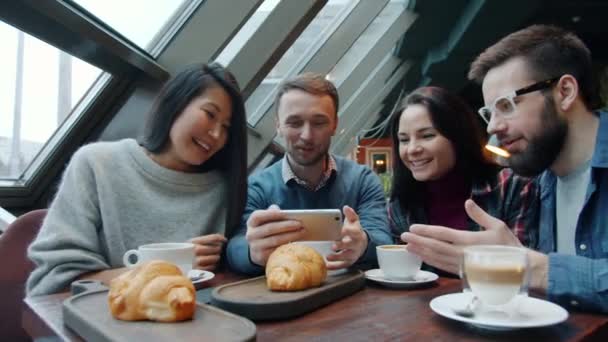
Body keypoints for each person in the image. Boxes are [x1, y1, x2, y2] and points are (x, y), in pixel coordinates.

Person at [401, 25, 608, 313]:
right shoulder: (540, 182)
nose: (493, 126)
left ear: (565, 92)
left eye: (506, 105)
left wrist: (533, 267)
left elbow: (538, 273)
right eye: (489, 112)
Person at [27, 63, 248, 296]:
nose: (215, 134)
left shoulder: (225, 190)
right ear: (176, 103)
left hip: (189, 324)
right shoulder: (97, 163)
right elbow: (56, 280)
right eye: (210, 114)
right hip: (96, 320)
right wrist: (168, 268)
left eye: (226, 127)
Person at [226, 73, 392, 275]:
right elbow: (235, 246)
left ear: (334, 125)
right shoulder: (256, 186)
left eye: (319, 123)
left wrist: (364, 243)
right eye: (295, 123)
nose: (307, 136)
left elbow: (384, 241)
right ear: (278, 125)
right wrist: (252, 252)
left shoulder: (363, 180)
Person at [388, 86, 537, 251]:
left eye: (427, 136)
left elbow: (530, 267)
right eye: (404, 140)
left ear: (458, 137)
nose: (412, 149)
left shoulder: (510, 187)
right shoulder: (400, 206)